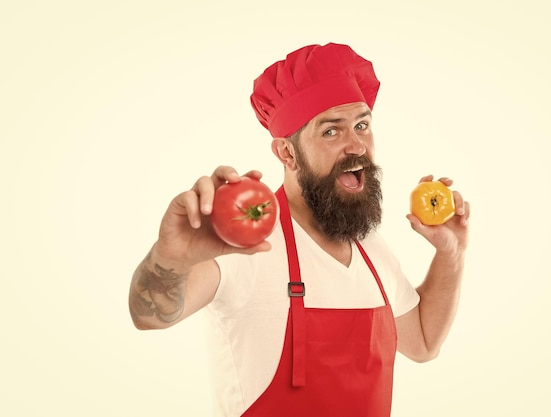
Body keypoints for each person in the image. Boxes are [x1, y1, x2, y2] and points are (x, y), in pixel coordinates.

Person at [129, 42, 470, 417]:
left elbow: (422, 342)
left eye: (362, 125)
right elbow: (148, 316)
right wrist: (172, 257)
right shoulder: (244, 243)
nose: (356, 145)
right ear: (287, 154)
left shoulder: (370, 246)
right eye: (330, 132)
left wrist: (450, 254)